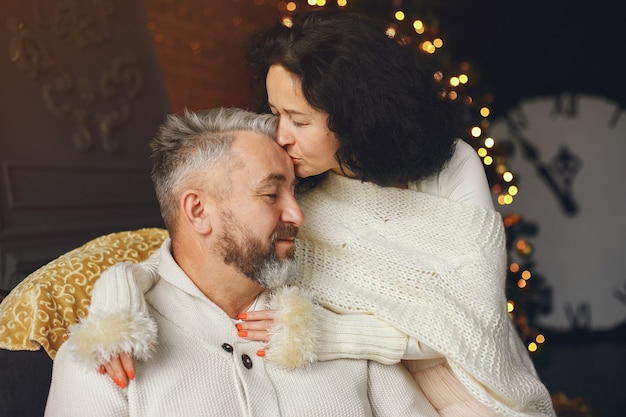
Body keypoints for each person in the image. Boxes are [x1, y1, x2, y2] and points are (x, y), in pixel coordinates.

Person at [76, 11, 556, 417]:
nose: (280, 134)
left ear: (356, 115)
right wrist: (115, 303)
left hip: (479, 383)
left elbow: (475, 320)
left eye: (299, 120)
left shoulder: (450, 165)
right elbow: (194, 248)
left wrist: (339, 334)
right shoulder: (292, 182)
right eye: (274, 111)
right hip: (385, 386)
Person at [44, 107, 441, 416]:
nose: (297, 215)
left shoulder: (333, 318)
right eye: (271, 195)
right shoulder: (102, 359)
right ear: (198, 211)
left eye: (294, 193)